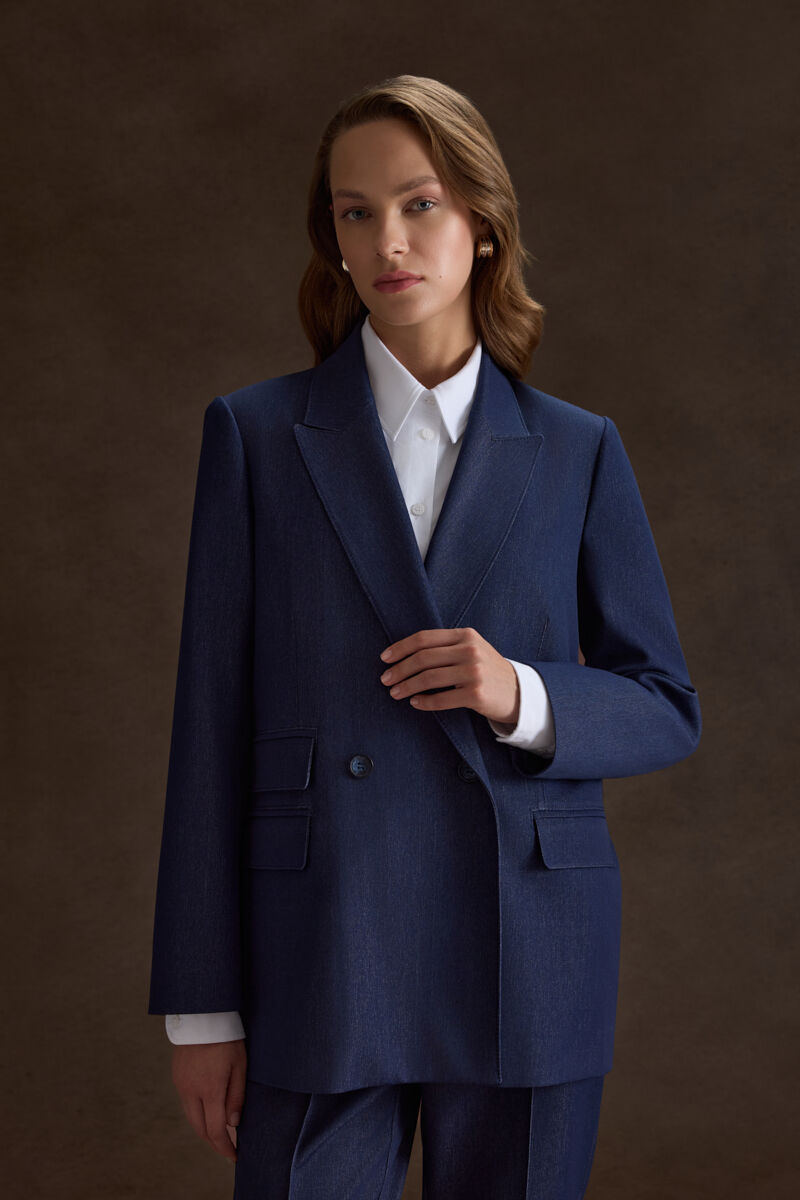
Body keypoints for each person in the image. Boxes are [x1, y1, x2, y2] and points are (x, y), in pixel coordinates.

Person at [148, 74, 701, 1199]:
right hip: (322, 946)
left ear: (483, 224)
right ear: (333, 240)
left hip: (526, 946)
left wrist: (519, 693)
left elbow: (664, 704)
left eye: (419, 204)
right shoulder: (256, 436)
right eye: (355, 213)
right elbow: (209, 726)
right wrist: (200, 1011)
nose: (387, 241)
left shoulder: (577, 449)